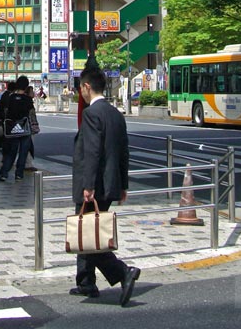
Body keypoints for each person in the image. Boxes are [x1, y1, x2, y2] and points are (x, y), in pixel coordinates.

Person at [70, 67, 140, 306]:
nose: (81, 93)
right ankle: (86, 282)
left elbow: (92, 152)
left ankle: (123, 272)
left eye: (81, 88)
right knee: (87, 228)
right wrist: (124, 184)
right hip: (111, 183)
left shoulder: (92, 114)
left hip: (94, 184)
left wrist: (87, 185)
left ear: (87, 87)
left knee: (91, 236)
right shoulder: (115, 113)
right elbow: (124, 152)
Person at [0, 75, 34, 182]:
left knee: (11, 152)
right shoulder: (28, 99)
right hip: (24, 128)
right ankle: (19, 174)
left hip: (12, 128)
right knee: (23, 152)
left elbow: (6, 111)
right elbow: (31, 113)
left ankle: (4, 173)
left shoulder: (11, 98)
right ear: (26, 86)